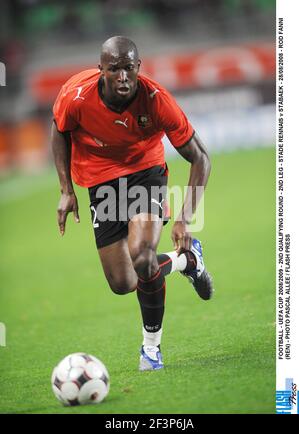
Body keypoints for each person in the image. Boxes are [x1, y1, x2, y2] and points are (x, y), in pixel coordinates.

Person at [51, 36, 213, 371]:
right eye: (115, 69)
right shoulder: (75, 95)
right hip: (99, 178)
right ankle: (187, 261)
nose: (123, 76)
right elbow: (59, 129)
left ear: (138, 67)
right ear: (102, 71)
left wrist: (183, 218)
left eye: (128, 68)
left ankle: (150, 349)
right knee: (123, 282)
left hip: (145, 172)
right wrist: (66, 189)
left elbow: (201, 159)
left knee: (142, 255)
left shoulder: (156, 100)